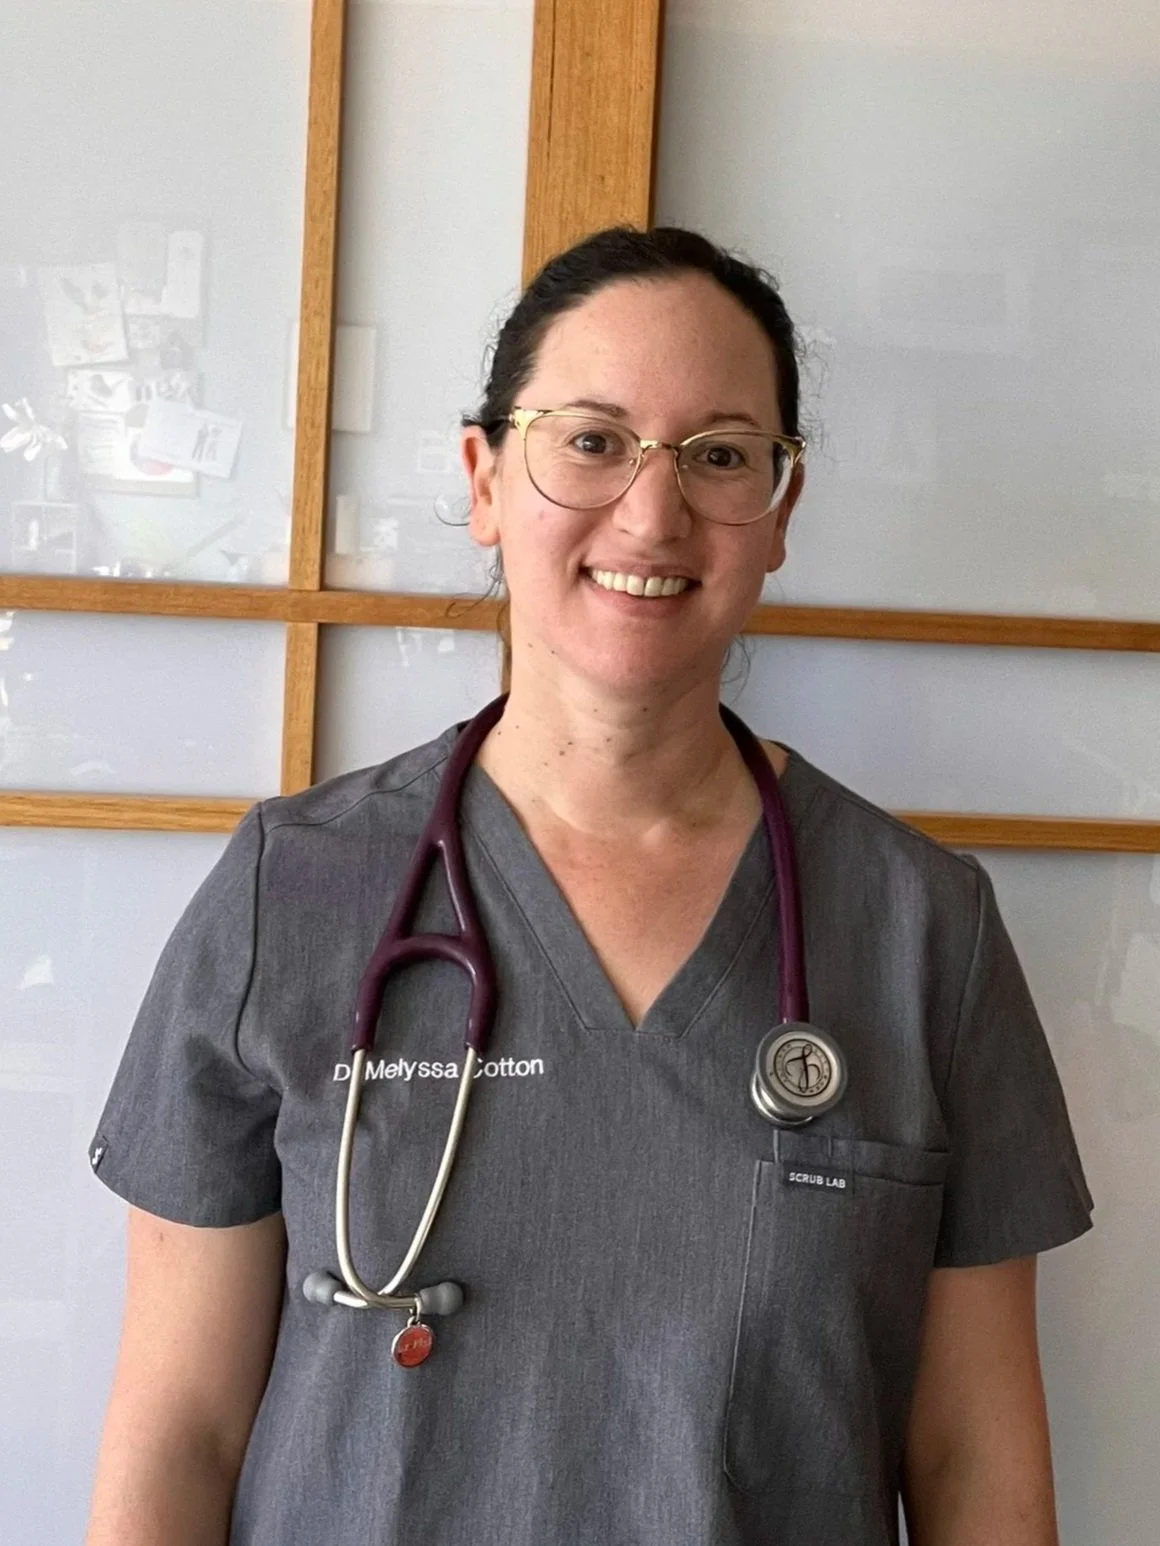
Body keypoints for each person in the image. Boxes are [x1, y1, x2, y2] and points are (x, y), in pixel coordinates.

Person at [84, 226, 1092, 1546]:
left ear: (779, 513)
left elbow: (975, 1470)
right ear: (485, 479)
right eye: (593, 440)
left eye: (720, 454)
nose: (653, 513)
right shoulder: (294, 890)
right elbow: (178, 1438)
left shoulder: (920, 933)